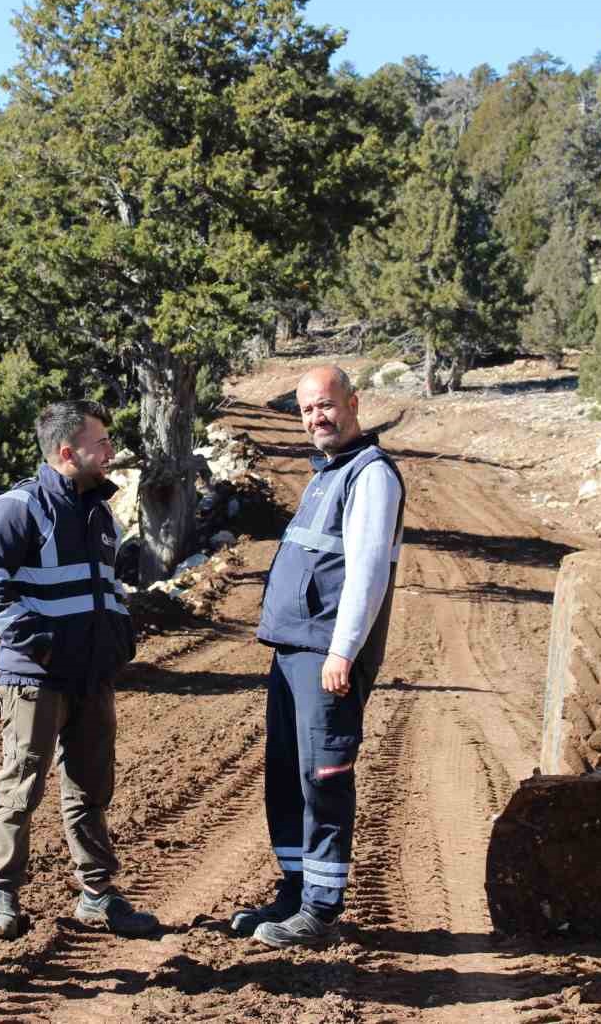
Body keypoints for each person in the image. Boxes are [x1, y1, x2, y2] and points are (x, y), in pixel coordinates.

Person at [0, 400, 157, 939]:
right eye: (101, 442)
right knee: (21, 784)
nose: (110, 451)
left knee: (91, 786)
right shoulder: (18, 507)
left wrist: (119, 639)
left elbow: (107, 586)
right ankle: (1, 899)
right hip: (35, 677)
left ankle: (97, 896)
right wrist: (41, 644)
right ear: (68, 452)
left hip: (93, 676)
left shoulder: (100, 510)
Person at [233, 365, 405, 949]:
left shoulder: (372, 476)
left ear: (353, 403)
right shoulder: (327, 473)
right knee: (285, 777)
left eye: (326, 406)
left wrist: (343, 651)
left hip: (325, 656)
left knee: (322, 778)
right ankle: (295, 890)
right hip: (292, 653)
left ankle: (321, 909)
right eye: (307, 410)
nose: (317, 418)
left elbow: (367, 574)